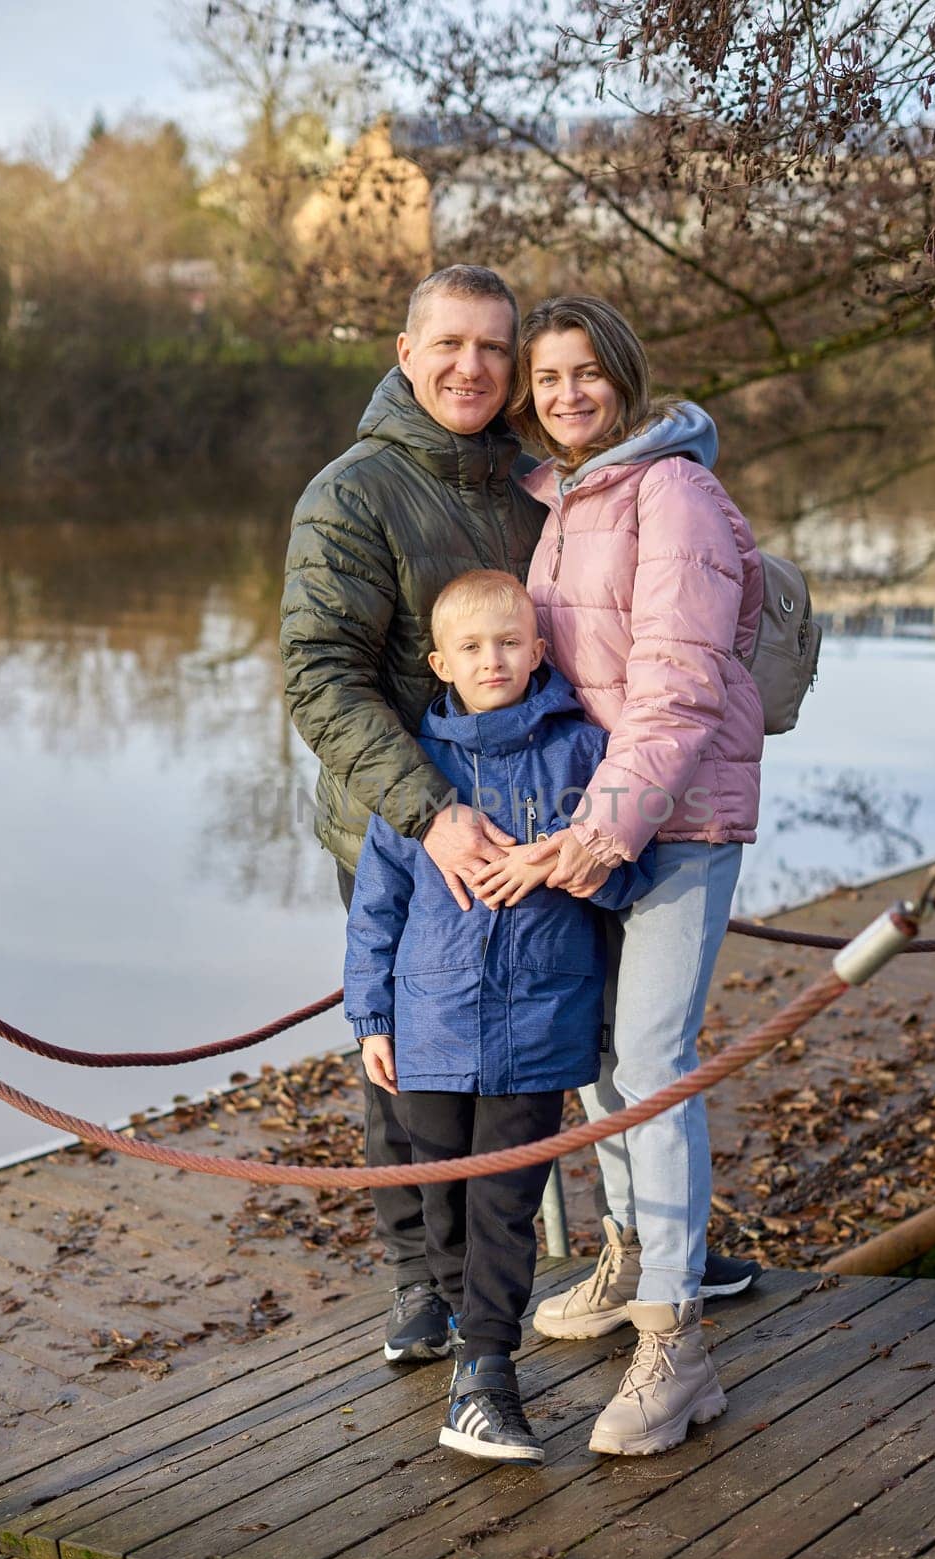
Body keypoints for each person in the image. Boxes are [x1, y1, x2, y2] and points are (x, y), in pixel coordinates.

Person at [475, 295, 766, 1456]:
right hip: (592, 822)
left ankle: (678, 1345)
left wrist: (603, 830)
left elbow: (681, 685)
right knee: (598, 1059)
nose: (567, 394)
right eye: (547, 379)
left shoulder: (674, 490)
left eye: (586, 372)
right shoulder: (565, 498)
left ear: (625, 376)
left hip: (676, 821)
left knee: (650, 1065)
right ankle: (633, 1252)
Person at [281, 265, 547, 1364]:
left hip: (532, 827)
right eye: (448, 344)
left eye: (492, 347)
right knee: (407, 1060)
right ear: (406, 353)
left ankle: (553, 1261)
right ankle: (415, 1279)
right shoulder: (352, 492)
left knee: (538, 1049)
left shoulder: (537, 487)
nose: (470, 367)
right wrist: (431, 813)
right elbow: (318, 676)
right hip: (398, 829)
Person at [343, 571, 656, 1464]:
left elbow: (630, 869)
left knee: (505, 1208)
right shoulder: (416, 773)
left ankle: (486, 1367)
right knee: (440, 1193)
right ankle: (458, 1324)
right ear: (440, 662)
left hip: (538, 1026)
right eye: (473, 649)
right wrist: (372, 1016)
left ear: (540, 652)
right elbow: (376, 909)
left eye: (510, 644)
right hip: (430, 1026)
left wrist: (568, 859)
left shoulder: (583, 754)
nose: (494, 660)